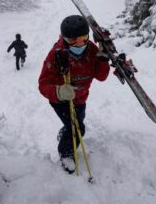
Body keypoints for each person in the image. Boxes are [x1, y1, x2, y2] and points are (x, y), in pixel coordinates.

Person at [38, 15, 110, 173]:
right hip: (60, 100)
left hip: (80, 99)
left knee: (74, 124)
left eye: (83, 38)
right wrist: (59, 91)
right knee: (77, 128)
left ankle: (65, 133)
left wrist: (103, 59)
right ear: (64, 38)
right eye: (72, 40)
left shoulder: (91, 49)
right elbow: (43, 84)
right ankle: (66, 154)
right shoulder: (56, 54)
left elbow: (101, 76)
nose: (79, 44)